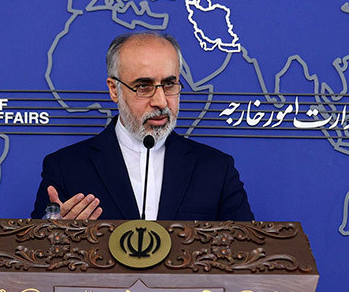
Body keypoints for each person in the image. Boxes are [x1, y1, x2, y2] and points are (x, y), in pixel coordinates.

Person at [31, 32, 254, 221]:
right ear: (114, 90)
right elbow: (34, 257)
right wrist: (55, 238)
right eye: (143, 86)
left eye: (169, 84)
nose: (161, 101)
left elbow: (249, 256)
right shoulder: (65, 168)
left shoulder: (217, 169)